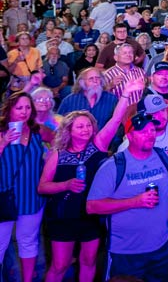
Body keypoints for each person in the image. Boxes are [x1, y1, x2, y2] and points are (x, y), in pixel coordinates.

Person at [39, 84, 135, 282]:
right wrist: (66, 185)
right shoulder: (58, 155)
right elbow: (42, 187)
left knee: (89, 261)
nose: (85, 129)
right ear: (69, 130)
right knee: (60, 265)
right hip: (63, 217)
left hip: (91, 215)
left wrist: (126, 93)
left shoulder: (97, 146)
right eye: (80, 126)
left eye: (88, 125)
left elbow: (116, 119)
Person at [87, 109, 168, 282]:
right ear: (129, 136)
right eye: (142, 131)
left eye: (152, 130)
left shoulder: (163, 158)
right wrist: (135, 201)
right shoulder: (114, 166)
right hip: (125, 253)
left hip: (162, 247)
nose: (149, 135)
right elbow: (92, 206)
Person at [0, 92, 48, 282]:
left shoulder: (38, 131)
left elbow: (59, 141)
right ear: (9, 109)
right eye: (19, 107)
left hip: (31, 197)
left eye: (28, 107)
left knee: (28, 242)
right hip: (5, 197)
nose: (24, 112)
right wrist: (3, 143)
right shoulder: (2, 131)